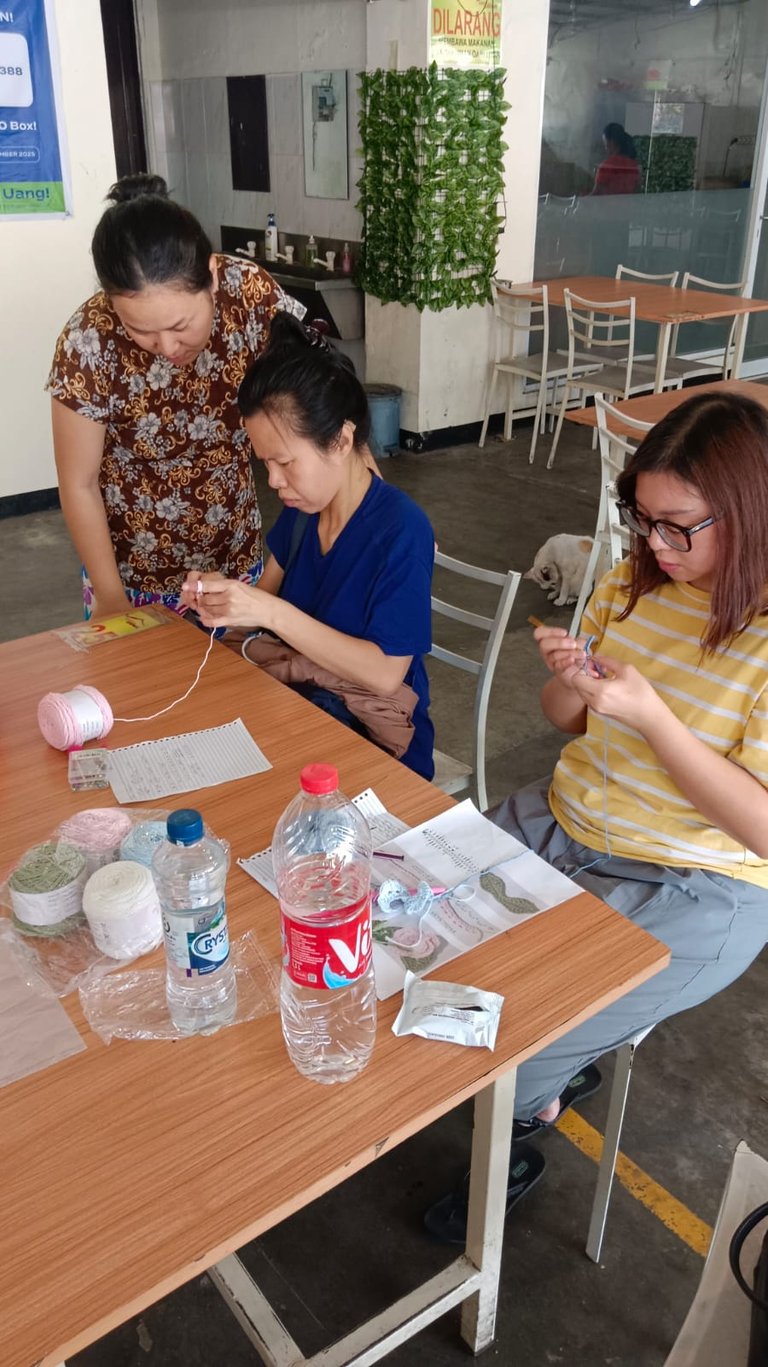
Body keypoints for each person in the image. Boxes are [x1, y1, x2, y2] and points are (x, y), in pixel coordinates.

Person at [426, 391, 768, 1241]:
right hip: (564, 820)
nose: (655, 546)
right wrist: (574, 680)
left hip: (698, 883)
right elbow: (564, 720)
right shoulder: (633, 582)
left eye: (677, 527)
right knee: (411, 936)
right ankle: (559, 1071)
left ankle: (527, 1115)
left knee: (505, 1044)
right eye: (643, 521)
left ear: (751, 508)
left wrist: (651, 715)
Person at [185, 314, 435, 780]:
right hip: (300, 708)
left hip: (373, 744)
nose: (274, 481)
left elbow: (385, 674)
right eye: (265, 464)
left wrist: (267, 611)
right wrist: (225, 601)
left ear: (340, 441)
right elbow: (263, 601)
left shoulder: (400, 530)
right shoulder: (304, 511)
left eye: (284, 462)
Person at [47, 173, 304, 619]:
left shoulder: (250, 298)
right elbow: (79, 484)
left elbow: (317, 399)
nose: (166, 348)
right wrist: (112, 599)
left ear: (211, 276)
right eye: (140, 330)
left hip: (234, 566)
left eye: (181, 326)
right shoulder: (88, 341)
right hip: (128, 579)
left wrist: (369, 495)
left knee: (237, 665)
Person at [591, 122, 641, 196]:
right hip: (628, 203)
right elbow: (637, 193)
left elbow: (595, 195)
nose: (604, 147)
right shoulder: (634, 166)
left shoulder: (606, 166)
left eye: (605, 143)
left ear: (611, 142)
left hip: (609, 203)